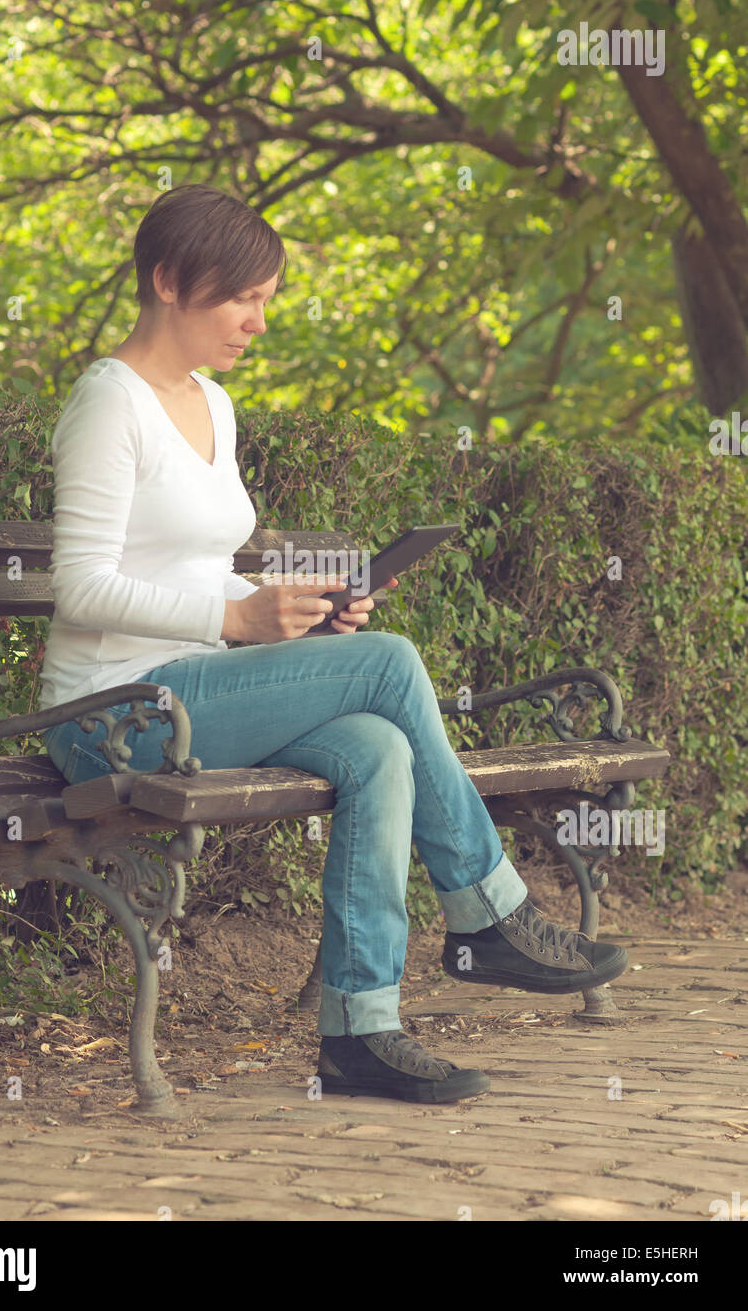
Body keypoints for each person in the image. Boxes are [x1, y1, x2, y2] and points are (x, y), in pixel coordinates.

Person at [40, 182, 629, 1106]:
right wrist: (237, 622)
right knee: (389, 663)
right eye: (244, 298)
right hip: (109, 715)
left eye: (264, 300)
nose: (257, 323)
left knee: (377, 744)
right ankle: (488, 916)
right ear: (167, 281)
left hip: (192, 692)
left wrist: (286, 608)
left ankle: (360, 1031)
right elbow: (77, 586)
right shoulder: (108, 404)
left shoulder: (213, 405)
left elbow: (199, 575)